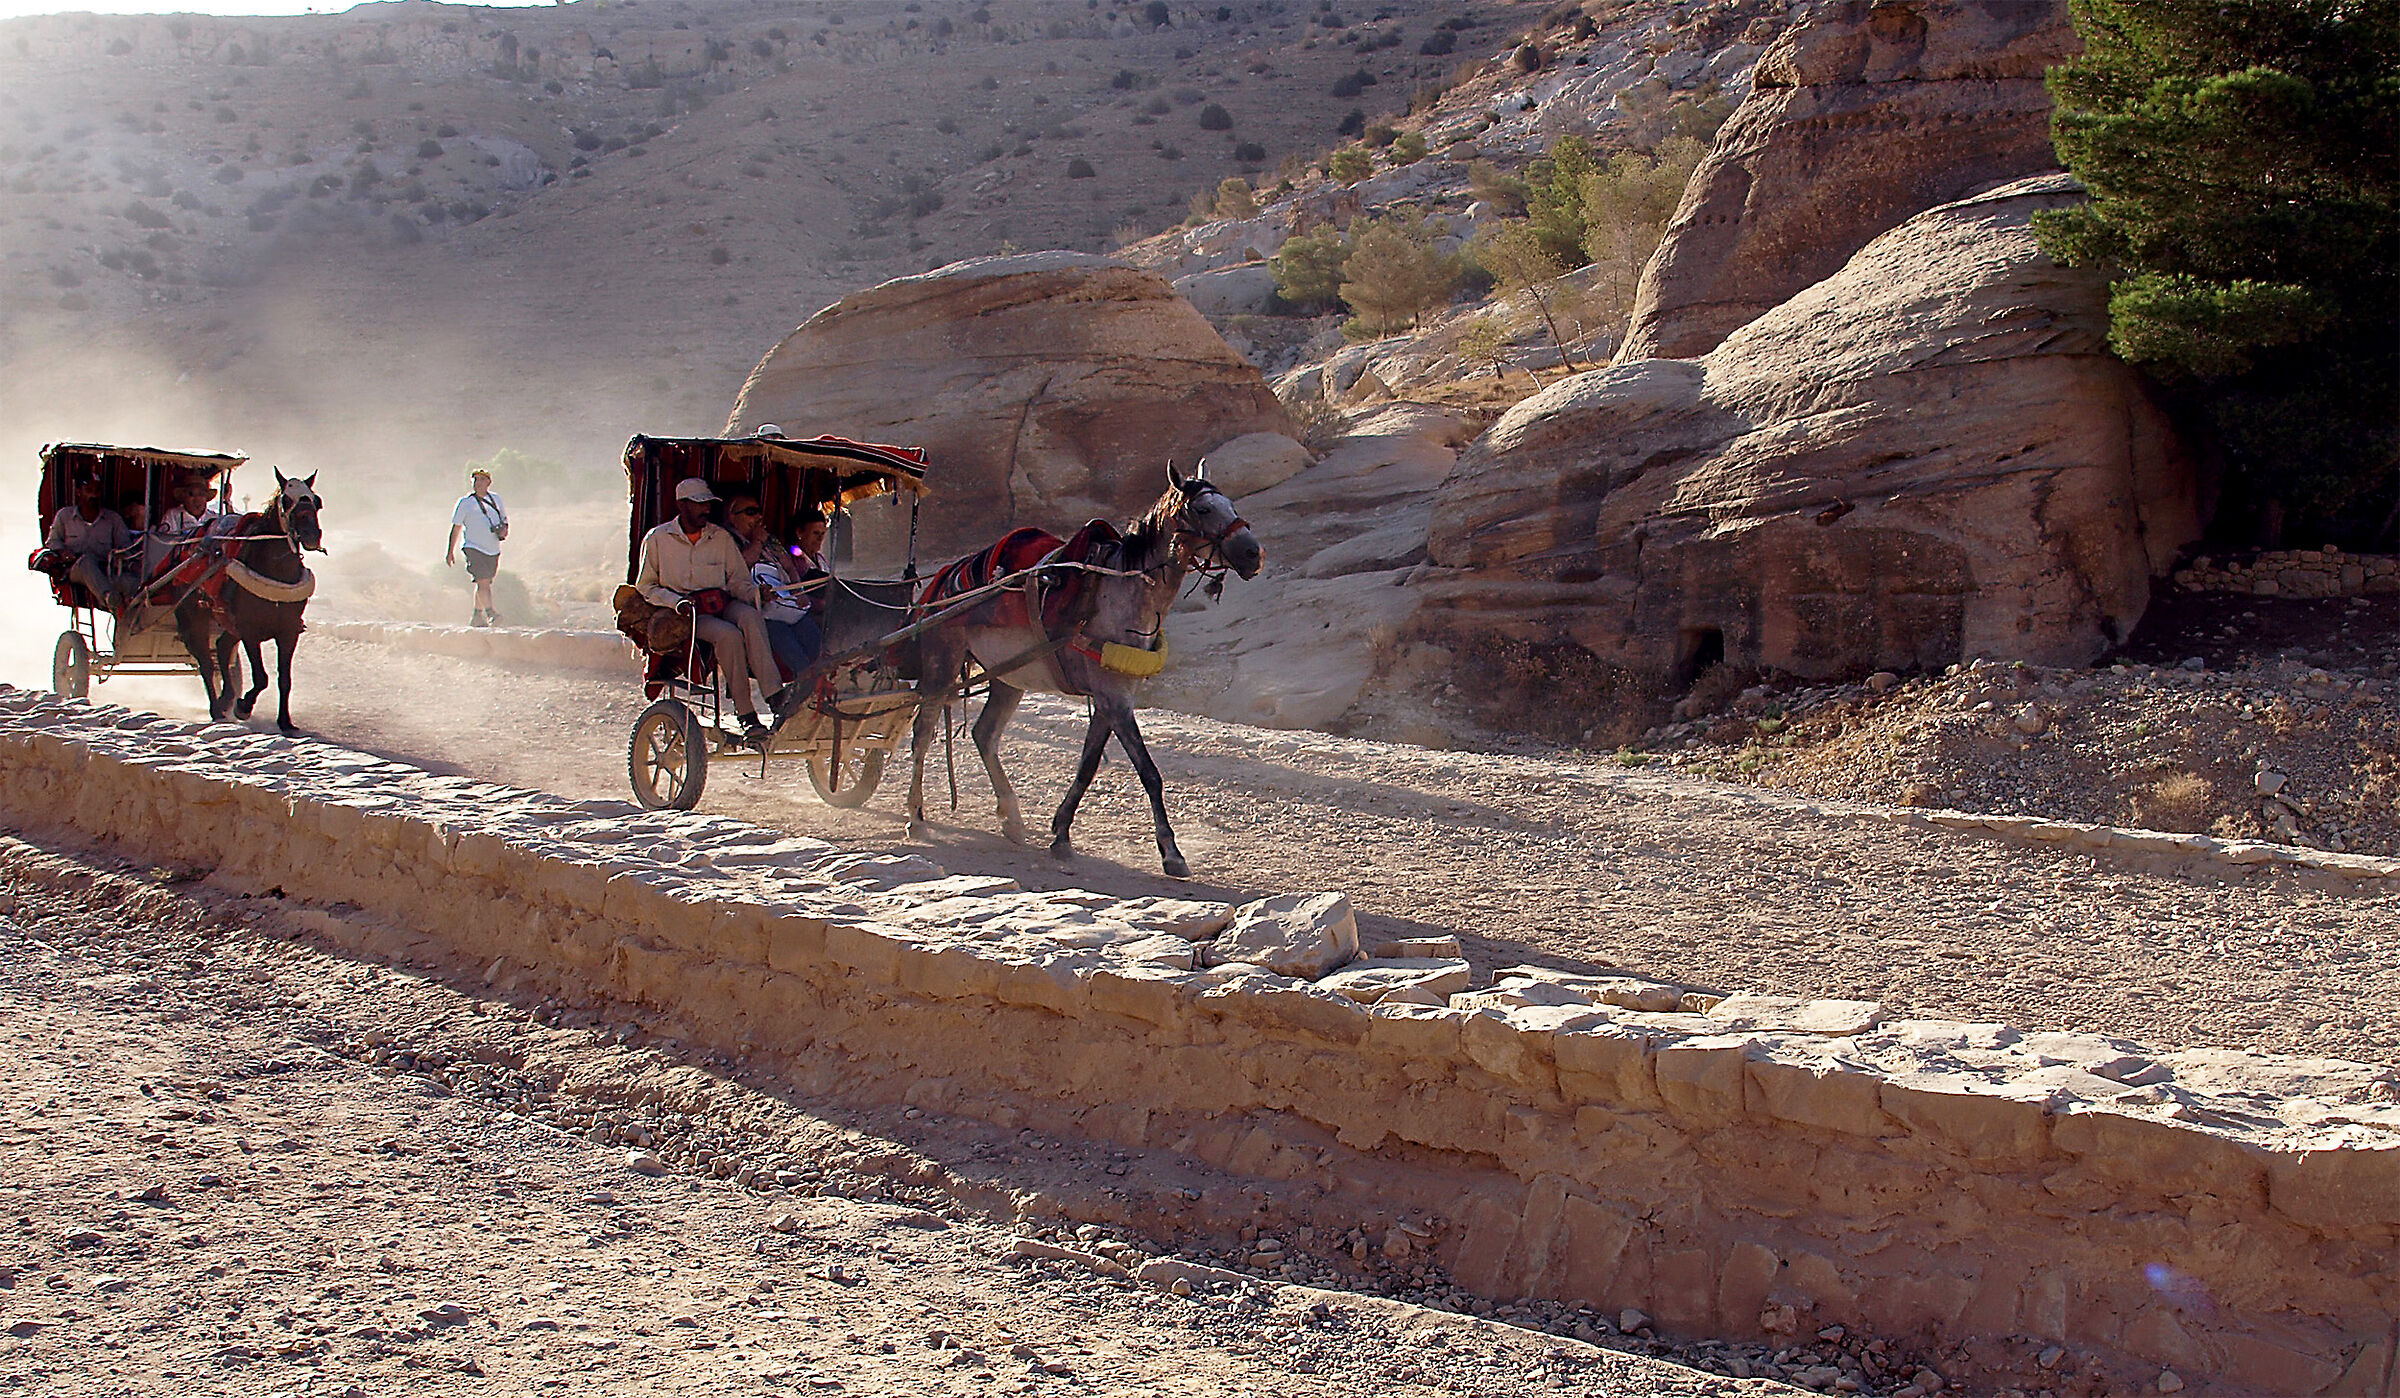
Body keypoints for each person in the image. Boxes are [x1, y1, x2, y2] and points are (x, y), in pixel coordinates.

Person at [633, 477, 786, 742]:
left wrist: (755, 594)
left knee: (750, 616)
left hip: (722, 603)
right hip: (688, 614)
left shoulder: (720, 537)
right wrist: (675, 602)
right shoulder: (658, 539)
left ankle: (775, 696)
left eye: (707, 504)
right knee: (728, 635)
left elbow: (737, 581)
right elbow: (646, 587)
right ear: (682, 505)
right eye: (699, 504)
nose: (706, 509)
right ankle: (746, 714)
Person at [724, 495, 822, 681]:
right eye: (750, 512)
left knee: (808, 629)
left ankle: (826, 676)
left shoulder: (770, 540)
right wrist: (757, 542)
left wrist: (798, 591)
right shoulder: (726, 540)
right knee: (779, 631)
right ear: (733, 517)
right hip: (752, 603)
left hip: (783, 598)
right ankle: (805, 680)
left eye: (759, 512)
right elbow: (740, 565)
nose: (758, 518)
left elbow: (789, 566)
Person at [43, 471, 135, 608]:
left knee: (133, 582)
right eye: (89, 490)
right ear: (79, 492)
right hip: (76, 569)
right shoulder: (65, 516)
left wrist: (120, 555)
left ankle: (129, 624)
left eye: (97, 490)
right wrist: (62, 552)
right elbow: (53, 542)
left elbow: (125, 546)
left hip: (105, 570)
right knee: (87, 561)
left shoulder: (113, 519)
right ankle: (107, 597)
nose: (94, 495)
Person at [445, 466, 509, 627]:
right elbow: (456, 527)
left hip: (492, 548)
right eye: (475, 479)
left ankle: (476, 616)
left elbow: (504, 519)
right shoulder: (465, 503)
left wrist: (503, 530)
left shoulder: (496, 499)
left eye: (481, 479)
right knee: (483, 581)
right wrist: (450, 551)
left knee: (483, 583)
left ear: (489, 482)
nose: (477, 483)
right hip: (473, 547)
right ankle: (491, 613)